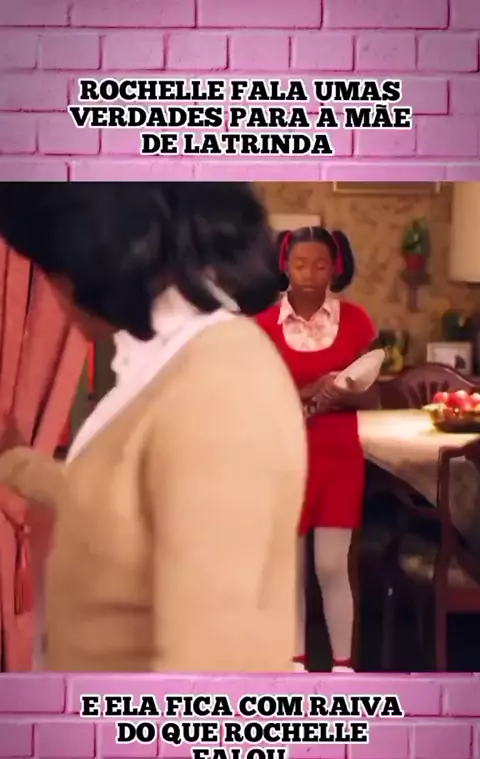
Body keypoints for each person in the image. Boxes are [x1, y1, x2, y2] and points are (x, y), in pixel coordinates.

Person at [0, 183, 307, 673]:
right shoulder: (170, 363)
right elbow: (117, 506)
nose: (55, 291)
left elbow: (208, 678)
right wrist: (15, 460)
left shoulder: (218, 393)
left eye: (51, 267)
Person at [256, 226, 378, 673]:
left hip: (339, 458)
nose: (310, 274)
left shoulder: (358, 321)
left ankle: (343, 667)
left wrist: (345, 392)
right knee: (289, 570)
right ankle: (295, 664)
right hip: (284, 460)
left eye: (321, 265)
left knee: (331, 566)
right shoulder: (262, 326)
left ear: (336, 267)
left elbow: (374, 395)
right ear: (284, 266)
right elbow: (255, 399)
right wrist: (309, 391)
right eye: (300, 264)